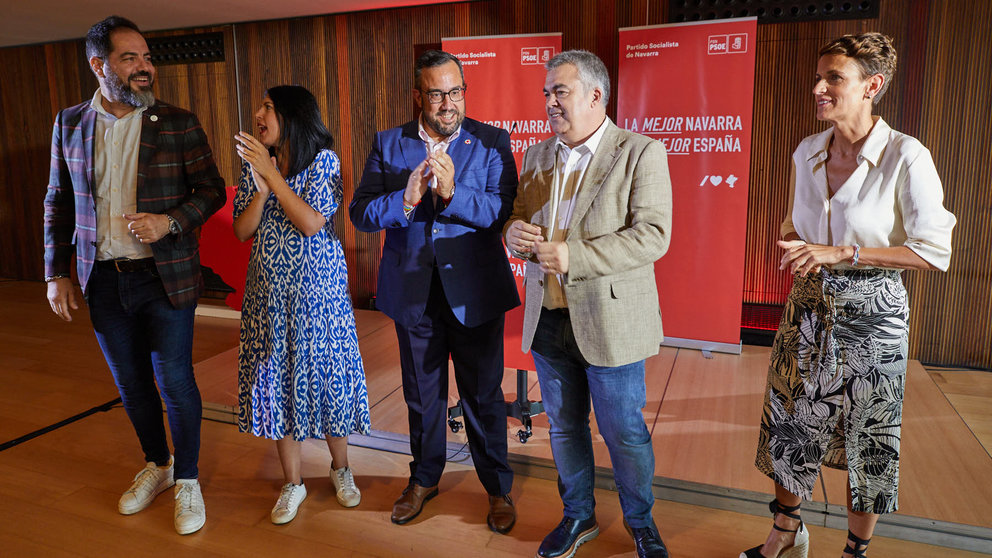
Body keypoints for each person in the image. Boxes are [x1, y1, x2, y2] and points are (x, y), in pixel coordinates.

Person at [743, 32, 956, 558]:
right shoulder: (808, 150)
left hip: (873, 314)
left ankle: (854, 551)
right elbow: (800, 220)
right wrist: (792, 240)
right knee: (792, 422)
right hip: (807, 306)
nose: (818, 87)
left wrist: (844, 253)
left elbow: (934, 253)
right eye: (819, 76)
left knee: (867, 435)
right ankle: (786, 531)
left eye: (833, 78)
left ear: (871, 86)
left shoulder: (907, 156)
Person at [43, 15, 226, 535]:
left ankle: (187, 479)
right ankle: (159, 464)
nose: (145, 68)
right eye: (131, 59)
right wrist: (56, 273)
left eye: (147, 57)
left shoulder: (178, 121)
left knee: (175, 381)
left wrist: (169, 221)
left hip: (164, 275)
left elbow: (211, 189)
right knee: (131, 385)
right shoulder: (69, 123)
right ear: (99, 65)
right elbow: (58, 201)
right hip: (101, 277)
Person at [504, 49, 672, 558]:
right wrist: (511, 233)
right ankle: (578, 515)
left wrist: (574, 255)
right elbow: (516, 217)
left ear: (596, 96)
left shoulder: (639, 151)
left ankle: (640, 522)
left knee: (623, 432)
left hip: (612, 319)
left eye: (561, 91)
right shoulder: (536, 154)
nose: (550, 102)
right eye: (546, 93)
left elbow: (653, 235)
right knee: (564, 427)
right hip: (549, 317)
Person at [349, 50, 519, 533]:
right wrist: (403, 200)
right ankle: (423, 479)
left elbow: (501, 212)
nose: (449, 103)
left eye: (457, 91)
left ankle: (497, 488)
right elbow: (360, 213)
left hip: (475, 293)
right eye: (438, 93)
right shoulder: (389, 144)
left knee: (483, 395)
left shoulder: (491, 142)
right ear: (418, 96)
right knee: (422, 397)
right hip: (414, 294)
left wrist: (451, 195)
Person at [233, 85, 371, 525]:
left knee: (326, 381)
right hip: (269, 299)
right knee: (279, 387)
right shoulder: (254, 167)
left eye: (268, 107)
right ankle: (292, 483)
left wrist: (272, 178)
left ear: (292, 116)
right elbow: (241, 230)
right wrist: (259, 185)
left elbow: (312, 222)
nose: (258, 114)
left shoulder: (324, 163)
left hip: (319, 300)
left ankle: (341, 469)